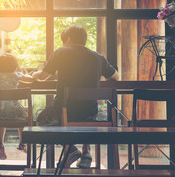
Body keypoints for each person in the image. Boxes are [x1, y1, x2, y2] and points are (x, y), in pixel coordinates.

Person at [32, 24, 119, 168]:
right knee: (84, 117)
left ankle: (71, 150)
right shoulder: (97, 56)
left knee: (41, 121)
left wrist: (35, 74)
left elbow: (42, 76)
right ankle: (86, 152)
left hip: (64, 111)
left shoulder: (61, 52)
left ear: (69, 39)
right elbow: (116, 76)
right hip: (90, 112)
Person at [0, 53, 33, 160]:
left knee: (0, 117)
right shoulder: (15, 75)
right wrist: (23, 73)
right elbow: (30, 79)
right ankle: (22, 143)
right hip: (13, 112)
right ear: (14, 66)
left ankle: (0, 145)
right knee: (25, 114)